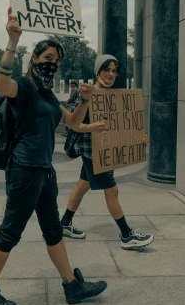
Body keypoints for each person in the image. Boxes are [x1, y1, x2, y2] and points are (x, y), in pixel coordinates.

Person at [0, 7, 108, 305]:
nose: (52, 64)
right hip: (23, 170)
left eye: (57, 61)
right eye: (47, 59)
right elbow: (1, 82)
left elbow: (72, 123)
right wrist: (12, 40)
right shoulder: (24, 86)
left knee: (53, 230)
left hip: (45, 172)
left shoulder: (47, 95)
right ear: (34, 59)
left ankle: (71, 285)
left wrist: (86, 100)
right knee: (10, 232)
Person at [60, 54, 153, 250]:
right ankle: (127, 235)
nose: (111, 74)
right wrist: (93, 126)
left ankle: (64, 223)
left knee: (82, 185)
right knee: (111, 190)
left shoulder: (116, 96)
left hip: (104, 149)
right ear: (98, 71)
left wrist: (138, 139)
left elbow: (120, 126)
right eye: (106, 69)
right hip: (94, 152)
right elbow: (73, 124)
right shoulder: (86, 93)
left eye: (114, 70)